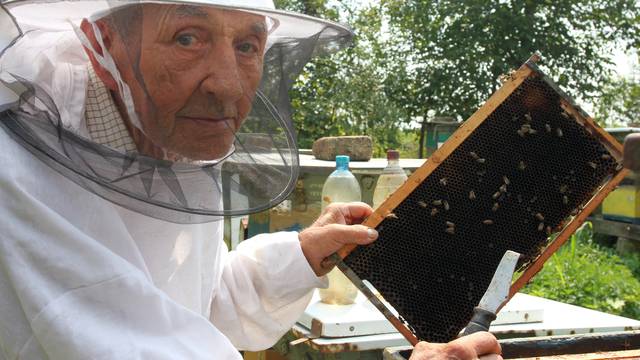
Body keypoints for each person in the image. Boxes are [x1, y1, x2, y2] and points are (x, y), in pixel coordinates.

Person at [0, 1, 501, 359]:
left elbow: (198, 300)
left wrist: (303, 254)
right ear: (102, 45)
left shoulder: (164, 139)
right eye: (187, 38)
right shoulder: (18, 179)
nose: (227, 85)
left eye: (247, 45)